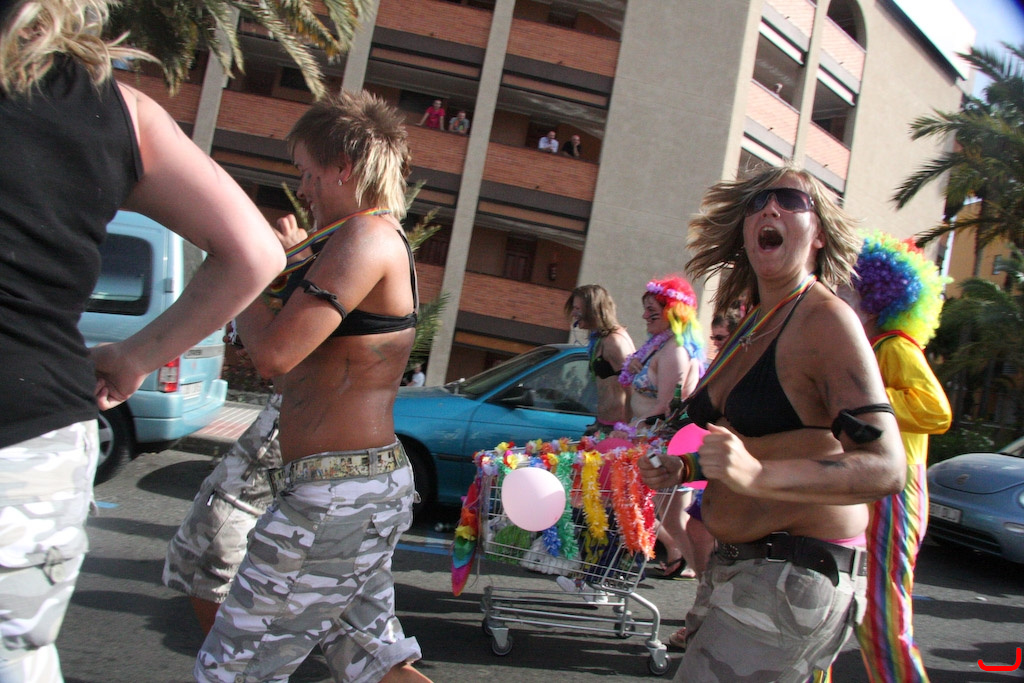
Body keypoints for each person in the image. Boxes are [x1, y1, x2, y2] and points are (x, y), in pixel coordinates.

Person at [0, 0, 285, 679]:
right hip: (35, 440)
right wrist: (135, 357)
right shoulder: (118, 109)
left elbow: (274, 344)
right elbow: (255, 253)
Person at [195, 90, 431, 683]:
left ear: (342, 169)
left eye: (307, 173)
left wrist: (242, 265)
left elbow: (274, 354)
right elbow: (289, 359)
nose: (302, 189)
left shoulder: (367, 239)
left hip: (336, 498)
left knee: (231, 670)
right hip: (345, 492)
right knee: (372, 662)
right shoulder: (351, 239)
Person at [638, 163, 907, 682]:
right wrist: (684, 467)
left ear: (819, 233)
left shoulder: (825, 320)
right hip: (737, 569)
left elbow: (885, 466)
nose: (770, 209)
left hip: (791, 575)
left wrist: (759, 476)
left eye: (790, 200)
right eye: (757, 203)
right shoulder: (754, 323)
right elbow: (758, 441)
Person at [837, 232, 952, 683]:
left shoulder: (895, 346)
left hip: (896, 494)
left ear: (873, 299)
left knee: (881, 615)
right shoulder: (865, 349)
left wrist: (870, 403)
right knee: (839, 602)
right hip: (866, 485)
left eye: (848, 286)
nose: (838, 292)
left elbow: (936, 410)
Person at [618, 275, 705, 580]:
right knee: (670, 518)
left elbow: (666, 409)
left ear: (673, 312)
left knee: (675, 520)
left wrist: (630, 431)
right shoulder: (658, 347)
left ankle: (707, 579)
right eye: (645, 310)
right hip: (650, 442)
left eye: (652, 311)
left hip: (667, 447)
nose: (644, 316)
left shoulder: (675, 351)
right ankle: (701, 574)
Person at [565, 284, 635, 437]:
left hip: (615, 429)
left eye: (578, 309)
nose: (574, 314)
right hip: (602, 424)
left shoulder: (614, 342)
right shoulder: (601, 339)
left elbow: (632, 389)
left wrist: (627, 429)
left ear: (593, 310)